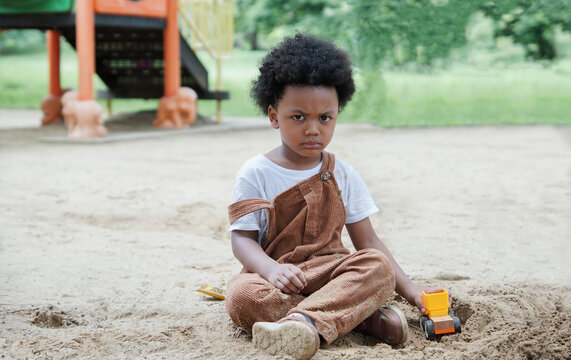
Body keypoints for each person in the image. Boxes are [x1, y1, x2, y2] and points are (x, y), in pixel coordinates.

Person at [225, 33, 442, 360]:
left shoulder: (343, 174)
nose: (313, 129)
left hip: (332, 273)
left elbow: (369, 242)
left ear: (336, 115)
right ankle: (358, 318)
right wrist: (270, 270)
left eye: (324, 118)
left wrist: (413, 293)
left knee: (376, 267)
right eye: (298, 117)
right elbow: (242, 240)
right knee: (240, 296)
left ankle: (304, 322)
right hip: (279, 277)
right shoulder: (255, 172)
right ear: (273, 116)